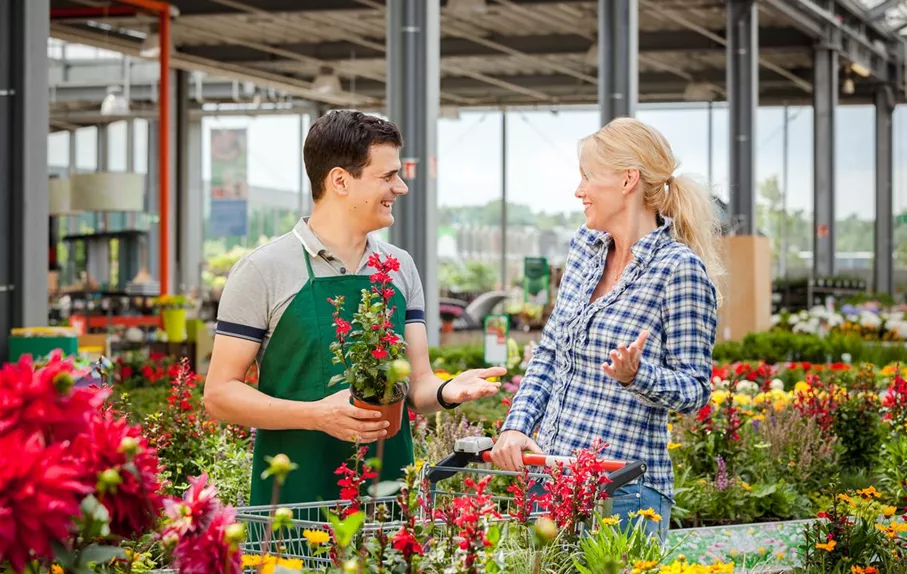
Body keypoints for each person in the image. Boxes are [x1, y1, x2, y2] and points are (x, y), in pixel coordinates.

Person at [204, 110, 503, 506]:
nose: (401, 187)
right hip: (293, 504)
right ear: (340, 181)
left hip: (389, 499)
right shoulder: (262, 270)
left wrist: (448, 390)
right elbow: (219, 394)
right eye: (387, 176)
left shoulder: (398, 268)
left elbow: (417, 386)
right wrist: (315, 416)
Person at [490, 117, 721, 541]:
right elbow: (549, 351)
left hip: (624, 494)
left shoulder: (679, 271)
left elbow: (695, 391)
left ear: (628, 180)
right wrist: (517, 425)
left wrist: (637, 376)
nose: (579, 191)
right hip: (552, 479)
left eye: (587, 177)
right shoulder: (585, 247)